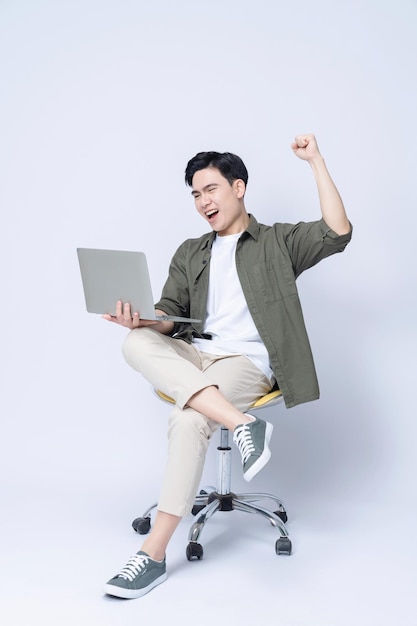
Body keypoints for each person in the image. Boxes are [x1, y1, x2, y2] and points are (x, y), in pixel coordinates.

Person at [102, 134, 352, 599]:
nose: (202, 202)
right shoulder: (191, 250)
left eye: (211, 189)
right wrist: (141, 320)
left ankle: (152, 556)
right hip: (196, 353)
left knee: (189, 416)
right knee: (135, 342)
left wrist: (315, 160)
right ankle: (242, 424)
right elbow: (170, 317)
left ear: (239, 188)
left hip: (246, 361)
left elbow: (338, 231)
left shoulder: (278, 241)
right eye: (195, 194)